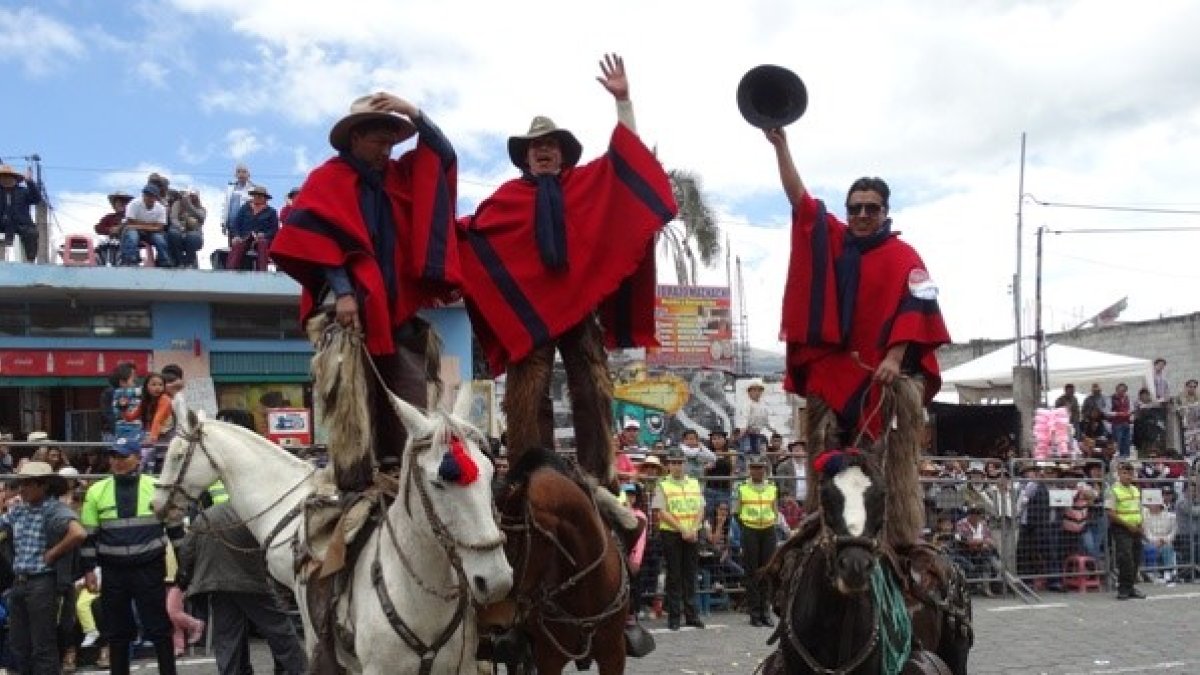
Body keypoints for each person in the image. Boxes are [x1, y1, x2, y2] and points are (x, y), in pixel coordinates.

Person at [455, 53, 676, 487]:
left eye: (550, 145)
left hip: (576, 311)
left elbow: (625, 166)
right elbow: (473, 238)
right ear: (526, 156)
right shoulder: (506, 198)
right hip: (532, 318)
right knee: (527, 397)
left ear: (562, 153)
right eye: (535, 146)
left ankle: (599, 474)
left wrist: (623, 102)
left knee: (592, 388)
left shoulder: (584, 185)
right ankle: (530, 477)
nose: (542, 150)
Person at [765, 126, 950, 549]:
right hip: (836, 372)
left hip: (883, 377)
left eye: (871, 208)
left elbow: (919, 304)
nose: (862, 215)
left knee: (882, 461)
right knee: (826, 454)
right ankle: (821, 531)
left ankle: (895, 539)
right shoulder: (834, 240)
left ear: (886, 212)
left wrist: (893, 356)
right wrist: (782, 146)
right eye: (855, 208)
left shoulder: (906, 257)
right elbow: (801, 200)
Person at [270, 91, 460, 492]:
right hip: (346, 307)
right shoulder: (327, 178)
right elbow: (319, 242)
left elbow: (441, 155)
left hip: (395, 312)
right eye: (379, 140)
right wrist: (343, 292)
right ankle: (352, 487)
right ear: (355, 138)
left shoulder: (398, 177)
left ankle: (407, 478)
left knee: (409, 401)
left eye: (392, 142)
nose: (387, 149)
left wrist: (413, 112)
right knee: (351, 403)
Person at [81, 440, 186, 674]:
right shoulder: (97, 491)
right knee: (117, 632)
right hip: (113, 571)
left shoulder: (157, 487)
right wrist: (89, 570)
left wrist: (184, 564)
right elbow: (88, 537)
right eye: (114, 457)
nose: (117, 462)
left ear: (138, 458)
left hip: (148, 568)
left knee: (158, 627)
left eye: (123, 457)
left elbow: (175, 530)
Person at [177, 502, 307, 675]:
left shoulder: (205, 517)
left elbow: (187, 550)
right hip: (252, 582)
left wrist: (184, 577)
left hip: (216, 585)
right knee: (278, 630)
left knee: (228, 638)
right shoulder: (250, 513)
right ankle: (299, 670)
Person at [0, 461, 87, 674]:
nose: (22, 489)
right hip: (20, 580)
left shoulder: (55, 510)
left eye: (28, 484)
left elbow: (78, 533)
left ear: (43, 486)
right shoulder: (19, 510)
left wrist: (54, 552)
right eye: (20, 484)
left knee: (43, 645)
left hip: (43, 581)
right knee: (19, 644)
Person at [652, 453, 705, 630]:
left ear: (685, 464)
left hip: (692, 532)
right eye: (674, 463)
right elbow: (662, 513)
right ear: (668, 465)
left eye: (680, 463)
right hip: (672, 533)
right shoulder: (663, 484)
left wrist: (694, 528)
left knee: (690, 575)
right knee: (674, 576)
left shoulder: (694, 483)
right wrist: (683, 529)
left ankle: (692, 615)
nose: (677, 466)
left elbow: (700, 508)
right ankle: (674, 616)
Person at [733, 456, 778, 627]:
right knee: (751, 572)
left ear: (764, 470)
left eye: (760, 467)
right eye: (754, 468)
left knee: (766, 571)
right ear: (749, 470)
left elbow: (775, 509)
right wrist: (747, 525)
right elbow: (737, 512)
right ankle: (755, 613)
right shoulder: (743, 488)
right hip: (750, 530)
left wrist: (771, 520)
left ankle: (766, 611)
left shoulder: (772, 488)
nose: (757, 471)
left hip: (768, 530)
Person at [1105, 461, 1146, 600]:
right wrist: (1127, 525)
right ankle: (1123, 588)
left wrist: (1140, 525)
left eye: (1130, 473)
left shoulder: (1135, 490)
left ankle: (1131, 587)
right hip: (1122, 528)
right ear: (1119, 475)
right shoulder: (1114, 490)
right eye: (1124, 473)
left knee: (1136, 558)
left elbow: (1138, 509)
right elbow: (1110, 513)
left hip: (1136, 528)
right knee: (1125, 558)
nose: (1128, 476)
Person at [226, 185, 278, 271]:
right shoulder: (245, 208)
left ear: (265, 198)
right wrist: (236, 235)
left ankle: (261, 273)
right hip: (245, 237)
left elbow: (274, 230)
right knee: (238, 244)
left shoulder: (271, 211)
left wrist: (264, 235)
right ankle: (230, 272)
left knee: (262, 243)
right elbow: (236, 224)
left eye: (260, 196)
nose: (257, 197)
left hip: (262, 239)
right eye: (255, 195)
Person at [120, 184, 172, 267]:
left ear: (156, 197)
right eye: (147, 195)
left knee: (160, 239)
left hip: (150, 232)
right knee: (132, 236)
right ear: (143, 195)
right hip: (136, 230)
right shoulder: (134, 204)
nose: (149, 198)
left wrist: (138, 225)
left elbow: (160, 227)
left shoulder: (161, 208)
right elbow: (130, 221)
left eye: (152, 196)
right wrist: (151, 224)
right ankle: (130, 260)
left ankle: (164, 261)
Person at [0, 164, 42, 262]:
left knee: (32, 233)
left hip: (22, 225)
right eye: (3, 177)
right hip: (2, 224)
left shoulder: (23, 191)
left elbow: (36, 199)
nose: (6, 179)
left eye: (9, 177)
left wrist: (30, 182)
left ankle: (30, 260)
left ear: (15, 179)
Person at [167, 188, 206, 268]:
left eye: (193, 196)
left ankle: (189, 263)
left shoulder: (201, 209)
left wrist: (189, 206)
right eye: (190, 196)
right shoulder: (177, 204)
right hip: (179, 230)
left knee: (193, 237)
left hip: (193, 233)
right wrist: (180, 227)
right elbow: (173, 218)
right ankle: (179, 261)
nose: (191, 198)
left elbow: (201, 217)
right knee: (173, 234)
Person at [221, 163, 256, 247]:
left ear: (249, 175)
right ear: (235, 174)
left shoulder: (253, 189)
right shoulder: (230, 188)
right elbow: (225, 206)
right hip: (231, 225)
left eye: (244, 172)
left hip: (246, 226)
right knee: (232, 249)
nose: (241, 174)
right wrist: (223, 222)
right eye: (239, 172)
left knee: (244, 249)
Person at [736, 379, 772, 457]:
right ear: (749, 392)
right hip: (747, 434)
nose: (757, 393)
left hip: (757, 434)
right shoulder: (747, 404)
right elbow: (745, 417)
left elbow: (766, 420)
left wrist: (772, 429)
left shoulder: (763, 406)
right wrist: (743, 429)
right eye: (754, 390)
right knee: (746, 453)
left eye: (759, 390)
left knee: (757, 453)